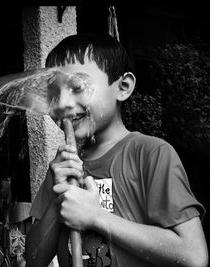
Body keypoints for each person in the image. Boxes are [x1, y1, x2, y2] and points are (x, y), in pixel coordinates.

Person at [25, 33, 208, 267]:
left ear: (122, 87)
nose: (61, 104)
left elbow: (193, 256)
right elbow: (33, 260)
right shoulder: (62, 168)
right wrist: (56, 200)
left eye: (78, 86)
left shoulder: (151, 154)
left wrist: (96, 217)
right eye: (53, 93)